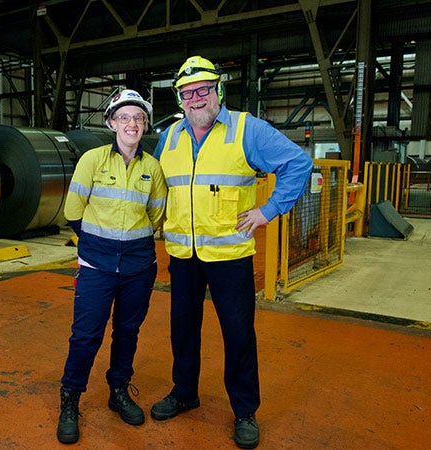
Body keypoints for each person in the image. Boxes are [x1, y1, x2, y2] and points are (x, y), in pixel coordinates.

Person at [150, 56, 313, 449]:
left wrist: (269, 209)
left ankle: (244, 412)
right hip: (183, 255)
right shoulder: (169, 137)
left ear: (218, 91)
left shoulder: (246, 130)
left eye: (202, 90)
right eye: (186, 93)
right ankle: (184, 392)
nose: (195, 99)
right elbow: (152, 184)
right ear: (179, 99)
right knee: (183, 331)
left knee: (238, 335)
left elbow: (298, 162)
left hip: (229, 257)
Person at [57, 89, 167, 444]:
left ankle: (117, 389)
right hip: (96, 265)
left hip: (138, 266)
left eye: (138, 117)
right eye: (124, 117)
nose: (131, 123)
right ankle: (70, 399)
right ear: (111, 122)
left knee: (127, 332)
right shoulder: (91, 160)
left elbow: (156, 216)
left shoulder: (153, 168)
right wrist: (95, 247)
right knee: (86, 335)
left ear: (145, 124)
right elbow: (73, 210)